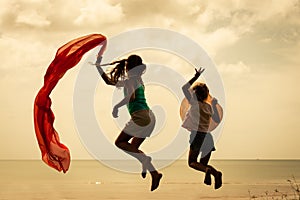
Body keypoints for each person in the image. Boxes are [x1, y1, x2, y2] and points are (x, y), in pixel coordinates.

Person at [95, 54, 162, 191]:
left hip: (140, 117)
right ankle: (154, 173)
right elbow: (108, 82)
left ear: (128, 67)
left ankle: (146, 161)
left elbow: (131, 96)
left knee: (120, 143)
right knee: (134, 148)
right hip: (150, 117)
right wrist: (98, 67)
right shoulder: (139, 80)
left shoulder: (131, 81)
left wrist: (116, 107)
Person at [181, 67, 222, 190]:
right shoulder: (209, 107)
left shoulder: (194, 103)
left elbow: (184, 88)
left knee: (192, 163)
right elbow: (217, 119)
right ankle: (215, 174)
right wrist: (214, 104)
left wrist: (196, 76)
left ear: (194, 94)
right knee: (203, 164)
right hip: (208, 137)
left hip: (197, 136)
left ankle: (209, 172)